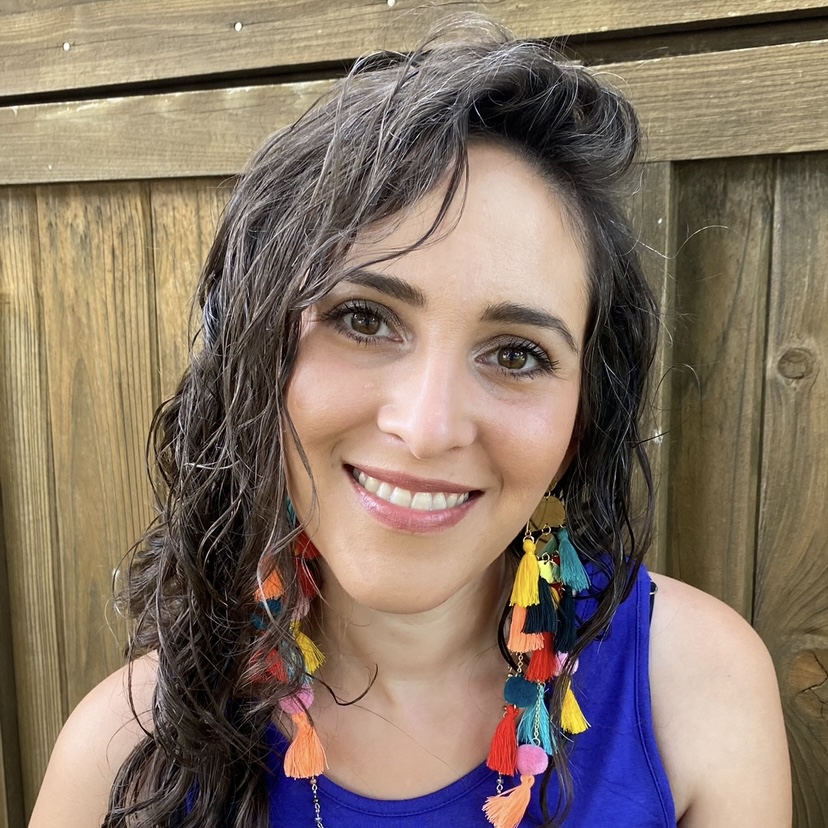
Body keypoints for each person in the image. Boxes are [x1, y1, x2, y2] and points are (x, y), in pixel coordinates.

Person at [30, 18, 791, 828]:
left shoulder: (696, 687)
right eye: (363, 319)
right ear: (255, 357)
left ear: (584, 414)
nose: (427, 428)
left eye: (517, 354)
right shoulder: (121, 760)